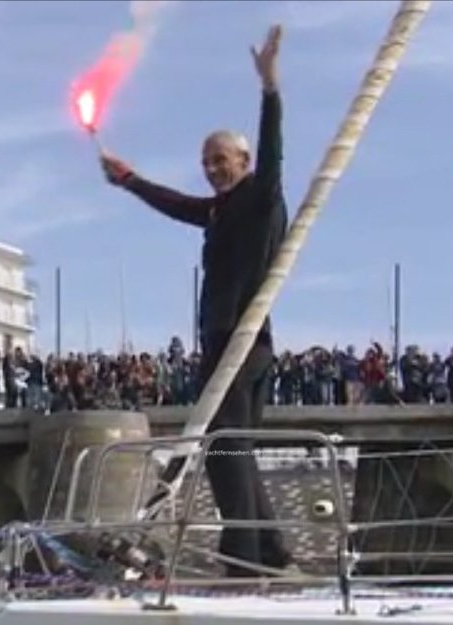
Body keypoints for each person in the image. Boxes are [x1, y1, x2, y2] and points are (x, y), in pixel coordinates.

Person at [99, 25, 293, 576]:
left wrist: (270, 88)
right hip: (235, 347)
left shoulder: (258, 198)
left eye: (220, 159)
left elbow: (275, 154)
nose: (211, 169)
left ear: (243, 160)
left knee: (226, 458)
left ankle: (245, 566)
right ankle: (273, 552)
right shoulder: (219, 209)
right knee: (236, 452)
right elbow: (177, 203)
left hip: (240, 343)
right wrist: (129, 180)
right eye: (206, 161)